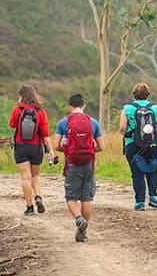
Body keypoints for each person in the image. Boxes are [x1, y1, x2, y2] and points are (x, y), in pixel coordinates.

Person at [53, 94, 104, 243]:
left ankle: (79, 218)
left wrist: (68, 151)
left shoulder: (63, 123)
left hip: (72, 164)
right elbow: (102, 146)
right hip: (89, 163)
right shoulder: (93, 122)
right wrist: (91, 151)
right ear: (84, 105)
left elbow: (56, 145)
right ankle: (84, 232)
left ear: (70, 106)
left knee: (71, 197)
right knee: (86, 198)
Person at [8, 84, 56, 216]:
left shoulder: (17, 109)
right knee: (36, 175)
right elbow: (45, 134)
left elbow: (12, 125)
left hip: (21, 146)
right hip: (36, 147)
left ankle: (29, 208)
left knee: (25, 178)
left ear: (21, 96)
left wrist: (18, 106)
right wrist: (51, 150)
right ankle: (38, 196)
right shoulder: (40, 111)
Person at [119, 82, 157, 210]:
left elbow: (122, 128)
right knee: (152, 169)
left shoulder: (127, 108)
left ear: (134, 94)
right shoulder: (155, 108)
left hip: (132, 144)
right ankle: (154, 197)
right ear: (148, 94)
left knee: (137, 172)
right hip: (152, 143)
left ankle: (140, 202)